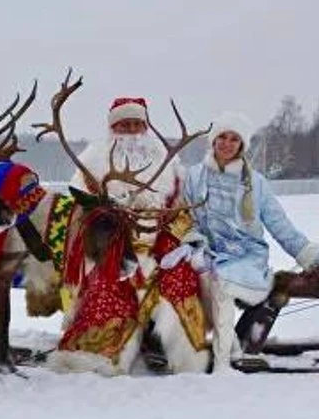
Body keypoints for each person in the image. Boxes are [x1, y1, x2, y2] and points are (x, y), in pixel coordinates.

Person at [166, 111, 319, 371]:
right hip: (208, 254)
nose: (227, 144)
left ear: (242, 146)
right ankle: (191, 346)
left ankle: (223, 363)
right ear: (213, 141)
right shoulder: (193, 178)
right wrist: (193, 239)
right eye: (222, 137)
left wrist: (309, 254)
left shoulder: (256, 184)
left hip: (247, 259)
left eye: (234, 139)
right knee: (182, 277)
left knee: (222, 282)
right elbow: (184, 218)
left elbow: (280, 226)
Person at [51, 97, 210, 375]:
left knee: (181, 279)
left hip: (161, 246)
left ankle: (184, 357)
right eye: (125, 125)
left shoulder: (168, 164)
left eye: (137, 124)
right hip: (112, 248)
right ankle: (97, 357)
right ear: (113, 128)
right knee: (107, 288)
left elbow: (181, 210)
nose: (132, 131)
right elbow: (79, 213)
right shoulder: (91, 164)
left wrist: (177, 241)